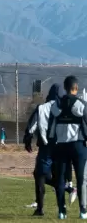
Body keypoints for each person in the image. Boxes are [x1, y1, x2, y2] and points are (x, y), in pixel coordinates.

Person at [23, 83, 77, 216]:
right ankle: (62, 208)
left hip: (46, 147)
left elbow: (31, 126)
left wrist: (27, 140)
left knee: (40, 176)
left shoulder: (41, 108)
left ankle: (40, 208)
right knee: (59, 178)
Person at [38, 76, 87, 219]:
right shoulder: (81, 104)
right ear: (76, 88)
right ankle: (83, 210)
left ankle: (62, 211)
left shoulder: (56, 106)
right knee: (81, 178)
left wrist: (51, 144)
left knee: (60, 179)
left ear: (65, 88)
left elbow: (50, 129)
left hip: (60, 146)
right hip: (78, 146)